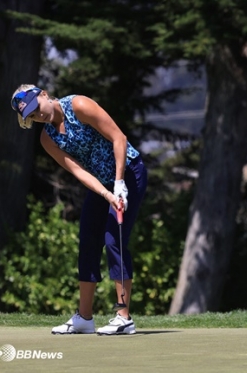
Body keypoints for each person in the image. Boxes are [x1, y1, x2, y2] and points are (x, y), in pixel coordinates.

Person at [11, 84, 147, 335]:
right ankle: (84, 318)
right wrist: (107, 193)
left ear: (43, 95)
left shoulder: (79, 106)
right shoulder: (47, 138)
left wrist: (119, 183)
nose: (37, 115)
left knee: (113, 239)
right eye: (31, 115)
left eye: (36, 108)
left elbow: (119, 138)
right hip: (101, 183)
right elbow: (78, 171)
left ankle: (123, 317)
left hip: (128, 171)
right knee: (88, 241)